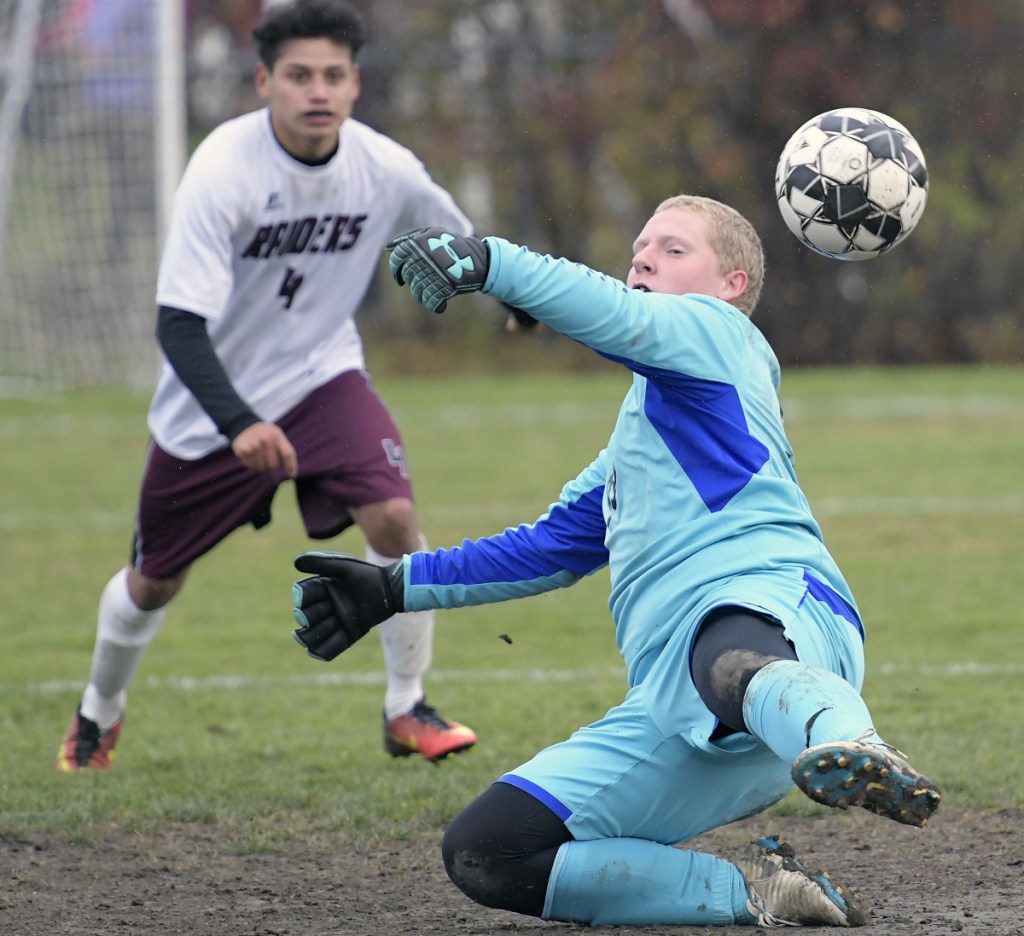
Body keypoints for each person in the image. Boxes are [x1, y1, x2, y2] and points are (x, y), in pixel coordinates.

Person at [288, 195, 942, 927]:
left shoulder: (722, 336)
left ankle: (850, 742)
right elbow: (547, 548)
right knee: (486, 853)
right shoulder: (638, 442)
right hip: (682, 709)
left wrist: (491, 262)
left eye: (672, 248)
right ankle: (760, 894)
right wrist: (393, 585)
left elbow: (616, 318)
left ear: (730, 285)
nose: (643, 258)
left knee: (726, 657)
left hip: (779, 618)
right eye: (638, 248)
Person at [56, 0, 478, 772]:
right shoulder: (222, 169)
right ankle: (97, 713)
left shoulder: (383, 166)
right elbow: (179, 326)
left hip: (323, 375)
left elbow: (467, 246)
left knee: (392, 516)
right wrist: (238, 422)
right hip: (208, 408)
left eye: (333, 75)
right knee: (154, 582)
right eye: (298, 76)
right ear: (263, 82)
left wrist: (517, 300)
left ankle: (406, 705)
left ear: (355, 85)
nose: (317, 91)